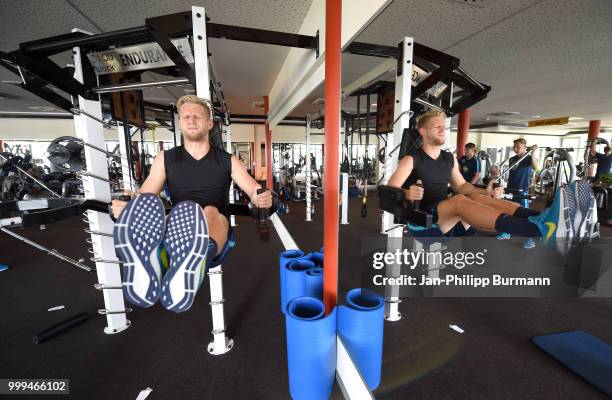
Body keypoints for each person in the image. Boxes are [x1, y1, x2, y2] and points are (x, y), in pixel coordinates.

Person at [111, 95, 272, 313]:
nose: (191, 119)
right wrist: (128, 206)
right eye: (186, 116)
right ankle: (156, 258)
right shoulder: (165, 158)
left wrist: (262, 197)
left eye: (198, 116)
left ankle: (193, 256)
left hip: (215, 230)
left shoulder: (228, 160)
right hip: (178, 226)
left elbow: (254, 190)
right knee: (163, 215)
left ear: (209, 124)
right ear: (180, 123)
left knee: (210, 211)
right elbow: (145, 197)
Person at [387, 111, 590, 251]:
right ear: (422, 131)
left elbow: (462, 186)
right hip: (424, 224)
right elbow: (389, 189)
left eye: (443, 126)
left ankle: (543, 219)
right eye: (436, 126)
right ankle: (538, 230)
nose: (442, 129)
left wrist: (487, 191)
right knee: (460, 200)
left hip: (450, 222)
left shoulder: (449, 159)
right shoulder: (411, 158)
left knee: (474, 194)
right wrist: (406, 193)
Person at [497, 138, 539, 247]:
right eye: (514, 147)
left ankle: (531, 239)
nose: (516, 149)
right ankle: (507, 232)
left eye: (518, 147)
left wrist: (533, 153)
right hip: (510, 189)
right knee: (508, 211)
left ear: (525, 148)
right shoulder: (513, 159)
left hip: (521, 191)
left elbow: (536, 167)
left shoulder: (529, 158)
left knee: (525, 215)